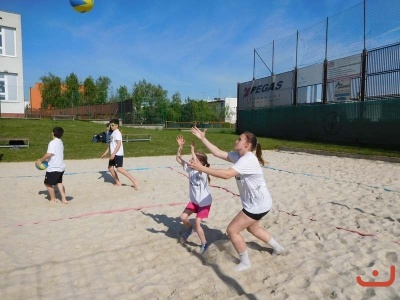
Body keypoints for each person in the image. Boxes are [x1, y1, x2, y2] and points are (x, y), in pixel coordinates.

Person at [189, 126, 285, 271]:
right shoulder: (238, 156)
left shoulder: (248, 160)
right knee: (253, 228)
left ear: (247, 145)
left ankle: (245, 262)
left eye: (239, 139)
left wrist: (201, 168)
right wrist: (203, 138)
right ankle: (278, 248)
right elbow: (217, 152)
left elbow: (227, 175)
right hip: (262, 203)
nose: (236, 140)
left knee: (232, 230)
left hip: (257, 205)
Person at [176, 135, 212, 254]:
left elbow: (199, 166)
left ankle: (204, 243)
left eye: (193, 159)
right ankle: (189, 229)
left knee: (197, 223)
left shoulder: (203, 172)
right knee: (183, 217)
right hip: (194, 201)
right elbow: (178, 158)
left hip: (204, 203)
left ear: (200, 163)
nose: (190, 160)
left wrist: (192, 151)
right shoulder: (190, 169)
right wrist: (180, 147)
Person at [101, 119, 138, 189]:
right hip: (113, 154)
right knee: (110, 168)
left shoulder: (117, 133)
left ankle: (134, 181)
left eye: (113, 125)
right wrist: (105, 153)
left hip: (118, 154)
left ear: (117, 125)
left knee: (119, 169)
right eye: (110, 125)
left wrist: (113, 154)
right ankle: (118, 182)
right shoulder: (112, 133)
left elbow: (118, 144)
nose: (111, 126)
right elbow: (111, 145)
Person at [35, 127, 67, 204]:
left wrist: (40, 160)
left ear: (52, 133)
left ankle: (53, 199)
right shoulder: (60, 142)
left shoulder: (52, 143)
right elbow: (55, 155)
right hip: (61, 167)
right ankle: (63, 198)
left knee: (47, 183)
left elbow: (49, 154)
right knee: (59, 183)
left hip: (53, 168)